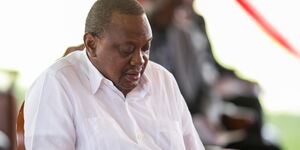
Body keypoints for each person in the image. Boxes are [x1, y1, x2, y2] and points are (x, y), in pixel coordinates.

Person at [24, 0, 205, 149]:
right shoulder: (57, 85)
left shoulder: (163, 80)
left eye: (146, 48)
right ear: (91, 45)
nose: (140, 60)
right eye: (127, 50)